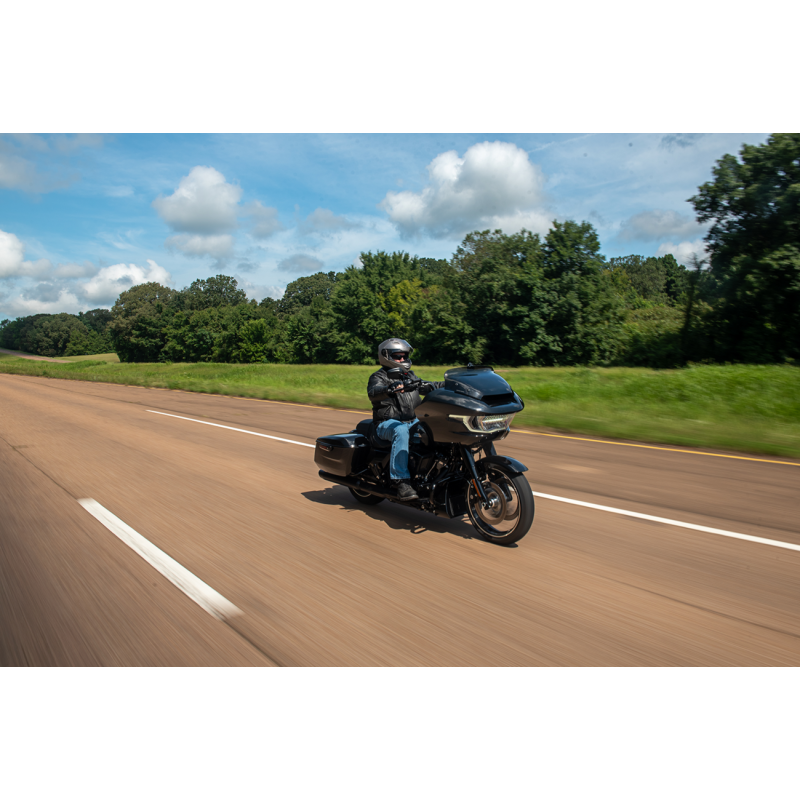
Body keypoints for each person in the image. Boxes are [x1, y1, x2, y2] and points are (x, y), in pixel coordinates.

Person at [367, 338, 444, 501]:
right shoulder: (378, 377)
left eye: (404, 356)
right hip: (386, 424)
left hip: (413, 422)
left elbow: (427, 385)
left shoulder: (409, 375)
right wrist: (390, 389)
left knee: (437, 427)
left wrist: (449, 384)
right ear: (386, 356)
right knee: (400, 430)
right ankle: (401, 481)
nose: (402, 360)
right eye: (397, 356)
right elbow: (373, 392)